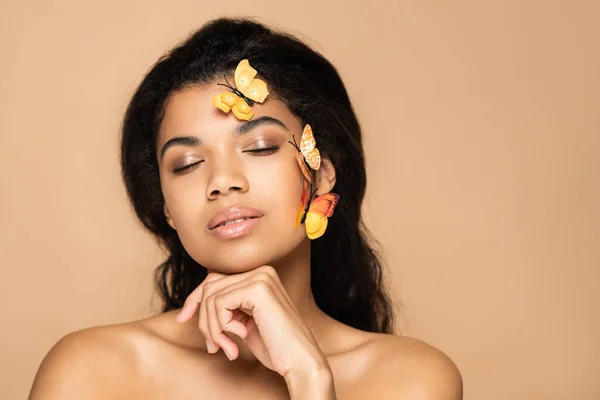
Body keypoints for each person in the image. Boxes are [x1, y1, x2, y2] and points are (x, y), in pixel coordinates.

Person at [29, 17, 463, 399]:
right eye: (187, 164)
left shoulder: (410, 379)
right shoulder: (92, 370)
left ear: (323, 174)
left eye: (259, 147)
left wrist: (310, 379)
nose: (222, 181)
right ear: (167, 211)